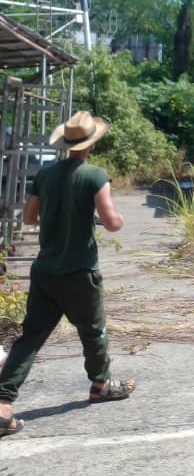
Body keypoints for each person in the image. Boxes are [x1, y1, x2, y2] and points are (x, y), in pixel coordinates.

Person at [0, 111, 136, 438]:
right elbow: (112, 221)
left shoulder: (46, 174)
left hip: (45, 271)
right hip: (79, 272)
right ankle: (101, 385)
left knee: (31, 337)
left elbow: (29, 218)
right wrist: (111, 218)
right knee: (93, 330)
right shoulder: (95, 176)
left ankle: (2, 404)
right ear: (91, 144)